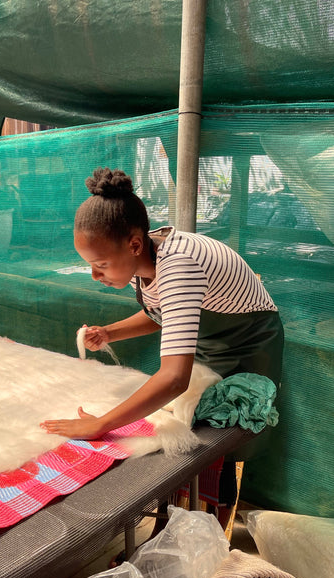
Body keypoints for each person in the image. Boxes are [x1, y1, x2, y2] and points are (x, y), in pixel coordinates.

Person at [40, 167, 284, 511]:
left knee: (219, 439)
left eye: (101, 265)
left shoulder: (179, 266)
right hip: (208, 343)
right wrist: (111, 332)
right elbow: (164, 314)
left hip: (247, 350)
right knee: (182, 422)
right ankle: (182, 513)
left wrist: (101, 424)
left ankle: (212, 518)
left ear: (135, 244)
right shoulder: (146, 258)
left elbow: (173, 378)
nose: (95, 276)